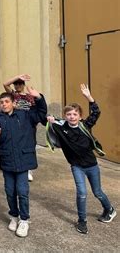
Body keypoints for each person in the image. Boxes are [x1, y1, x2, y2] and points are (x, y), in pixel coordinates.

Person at [46, 84, 116, 234]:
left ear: (80, 116)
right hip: (76, 166)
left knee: (97, 192)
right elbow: (49, 120)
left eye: (75, 114)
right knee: (82, 193)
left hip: (92, 165)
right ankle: (82, 221)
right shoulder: (60, 127)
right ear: (65, 116)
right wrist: (50, 119)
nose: (72, 117)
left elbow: (96, 113)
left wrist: (89, 97)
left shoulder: (85, 126)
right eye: (69, 114)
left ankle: (109, 209)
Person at [0, 88, 47, 237]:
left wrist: (39, 97)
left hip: (23, 160)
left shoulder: (25, 115)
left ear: (13, 103)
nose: (4, 104)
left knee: (22, 191)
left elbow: (41, 114)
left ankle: (24, 220)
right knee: (9, 191)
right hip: (7, 160)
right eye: (1, 102)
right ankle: (14, 216)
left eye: (7, 101)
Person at [3, 74, 37, 182]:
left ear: (23, 85)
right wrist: (19, 76)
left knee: (31, 145)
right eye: (16, 84)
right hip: (16, 122)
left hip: (28, 123)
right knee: (18, 144)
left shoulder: (30, 96)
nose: (18, 86)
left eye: (20, 84)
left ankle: (29, 169)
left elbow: (35, 109)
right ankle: (20, 167)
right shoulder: (13, 95)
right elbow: (5, 84)